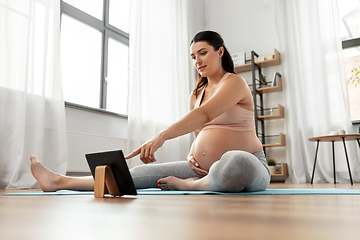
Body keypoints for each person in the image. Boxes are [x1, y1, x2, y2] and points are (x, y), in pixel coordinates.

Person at [30, 30, 270, 193]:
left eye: (203, 53)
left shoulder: (234, 83)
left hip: (248, 165)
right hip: (201, 169)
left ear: (220, 52)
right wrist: (191, 156)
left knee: (233, 161)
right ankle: (59, 181)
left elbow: (205, 115)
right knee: (140, 172)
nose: (197, 60)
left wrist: (161, 136)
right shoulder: (196, 93)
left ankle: (191, 186)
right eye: (193, 56)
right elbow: (199, 134)